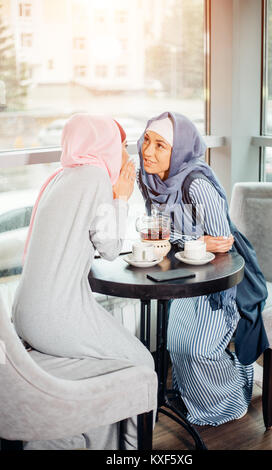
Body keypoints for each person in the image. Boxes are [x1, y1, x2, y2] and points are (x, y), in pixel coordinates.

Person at [12, 114, 155, 449]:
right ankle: (133, 453)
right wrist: (122, 195)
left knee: (107, 366)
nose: (125, 154)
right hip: (55, 316)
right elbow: (110, 250)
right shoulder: (93, 180)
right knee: (143, 363)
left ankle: (90, 439)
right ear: (103, 145)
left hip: (25, 314)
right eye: (120, 145)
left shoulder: (61, 178)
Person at [137, 111, 267, 427]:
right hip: (183, 274)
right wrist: (192, 242)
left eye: (160, 146)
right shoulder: (151, 180)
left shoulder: (196, 184)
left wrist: (179, 240)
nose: (148, 152)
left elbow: (221, 242)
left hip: (220, 279)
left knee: (196, 348)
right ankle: (195, 398)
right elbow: (160, 233)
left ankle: (236, 390)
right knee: (175, 343)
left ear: (178, 149)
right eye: (147, 141)